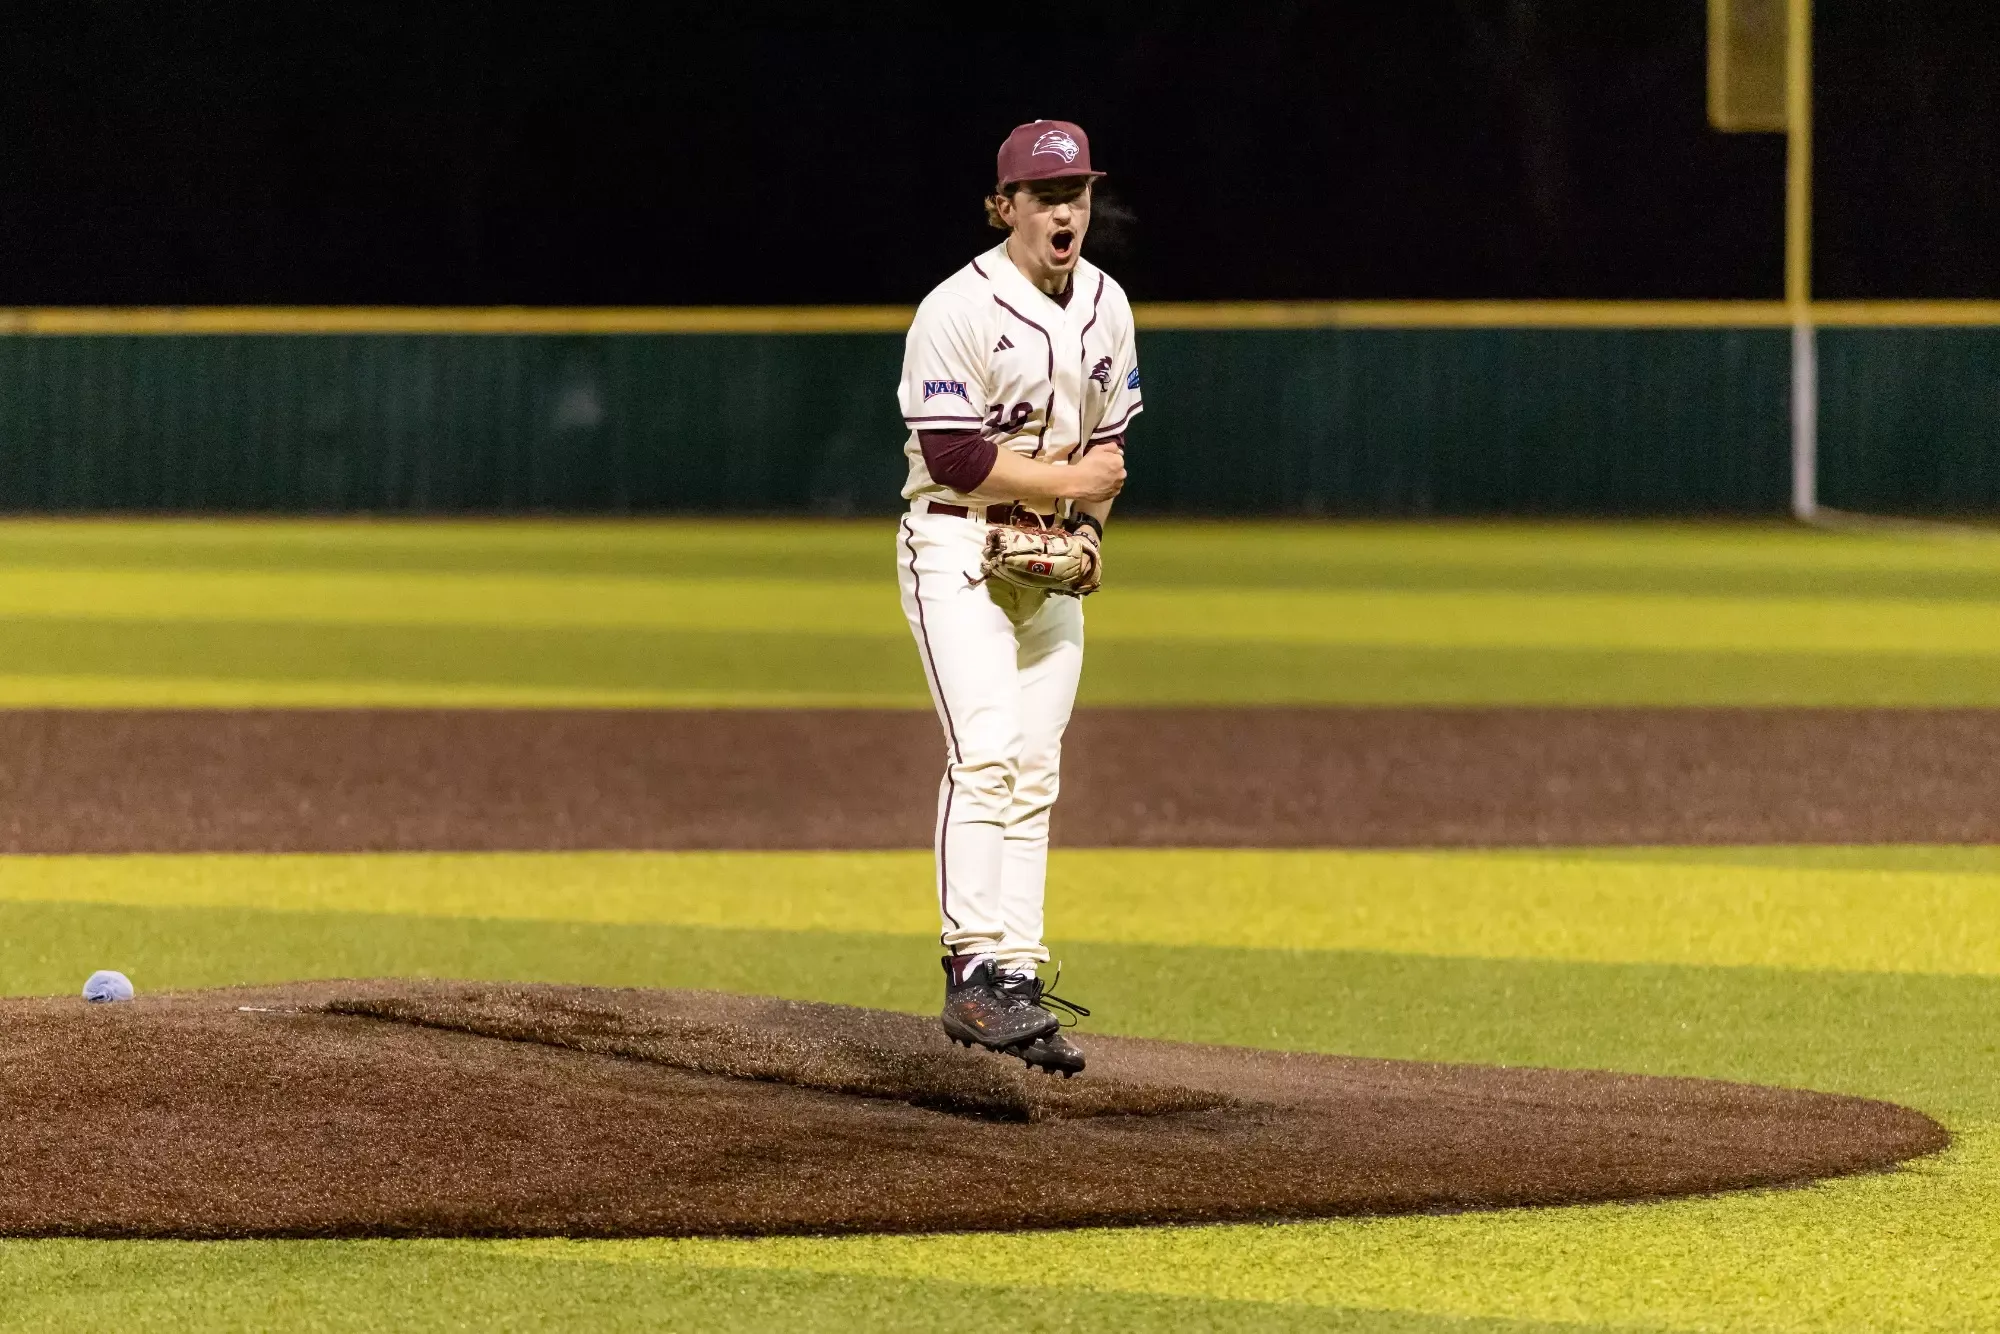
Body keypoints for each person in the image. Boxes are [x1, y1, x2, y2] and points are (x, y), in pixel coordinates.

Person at [893, 119, 1141, 1076]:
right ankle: (968, 972)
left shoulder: (1109, 306)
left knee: (1036, 770)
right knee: (987, 750)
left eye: (1075, 192)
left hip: (1047, 563)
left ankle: (1016, 977)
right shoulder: (955, 307)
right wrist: (1071, 488)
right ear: (1005, 207)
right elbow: (955, 454)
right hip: (954, 541)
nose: (1063, 210)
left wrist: (1083, 533)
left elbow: (1114, 452)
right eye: (1043, 195)